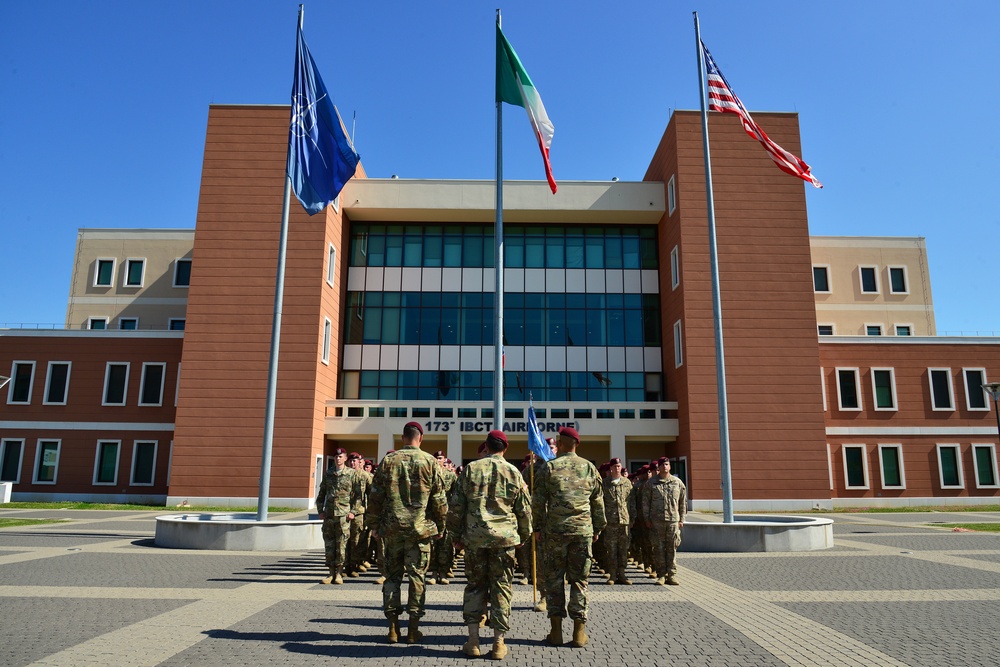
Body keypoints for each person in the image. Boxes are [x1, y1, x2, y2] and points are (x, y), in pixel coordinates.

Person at [448, 430, 532, 659]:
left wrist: (455, 535)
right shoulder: (514, 472)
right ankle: (498, 644)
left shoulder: (471, 470)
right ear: (505, 448)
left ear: (486, 446)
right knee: (501, 589)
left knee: (475, 586)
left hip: (474, 540)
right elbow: (524, 509)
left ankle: (473, 641)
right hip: (504, 541)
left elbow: (456, 506)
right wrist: (523, 536)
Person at [365, 422, 448, 644]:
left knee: (392, 578)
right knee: (417, 578)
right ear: (421, 438)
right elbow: (439, 500)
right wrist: (440, 526)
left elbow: (375, 496)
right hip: (419, 531)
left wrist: (373, 524)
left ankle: (393, 629)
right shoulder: (430, 462)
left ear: (403, 438)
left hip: (392, 531)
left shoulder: (389, 460)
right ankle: (413, 629)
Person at [532, 426, 606, 648]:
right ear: (577, 445)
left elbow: (538, 501)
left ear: (560, 443)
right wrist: (597, 528)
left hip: (555, 532)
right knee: (580, 581)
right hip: (582, 532)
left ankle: (555, 633)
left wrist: (536, 527)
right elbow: (598, 501)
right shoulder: (589, 468)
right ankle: (579, 634)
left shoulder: (549, 467)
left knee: (554, 581)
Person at [315, 447, 364, 585]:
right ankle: (330, 573)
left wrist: (353, 512)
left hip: (343, 516)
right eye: (336, 457)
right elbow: (321, 494)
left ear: (345, 458)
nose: (338, 459)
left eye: (340, 456)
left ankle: (339, 573)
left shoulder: (351, 474)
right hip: (329, 515)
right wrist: (320, 510)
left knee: (341, 545)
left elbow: (358, 496)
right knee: (329, 546)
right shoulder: (329, 474)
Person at [642, 457, 687, 586]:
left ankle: (671, 575)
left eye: (667, 464)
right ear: (658, 467)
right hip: (657, 521)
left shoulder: (677, 483)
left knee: (672, 548)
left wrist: (682, 519)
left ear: (670, 467)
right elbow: (645, 503)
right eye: (662, 465)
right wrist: (647, 519)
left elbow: (682, 502)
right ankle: (661, 575)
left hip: (673, 521)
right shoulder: (651, 483)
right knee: (659, 548)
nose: (664, 467)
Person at [601, 457, 635, 585]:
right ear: (611, 468)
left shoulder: (627, 483)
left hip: (624, 522)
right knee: (611, 549)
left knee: (623, 549)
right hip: (610, 522)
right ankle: (612, 575)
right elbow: (601, 503)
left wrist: (632, 518)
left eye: (619, 466)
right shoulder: (605, 483)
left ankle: (622, 574)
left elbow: (631, 502)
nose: (617, 468)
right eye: (615, 466)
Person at [428, 450, 458, 585]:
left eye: (440, 458)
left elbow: (456, 495)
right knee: (433, 545)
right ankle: (434, 573)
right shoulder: (429, 473)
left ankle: (444, 572)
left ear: (444, 459)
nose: (438, 460)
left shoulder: (451, 476)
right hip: (431, 514)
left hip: (446, 514)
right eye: (436, 458)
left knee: (446, 545)